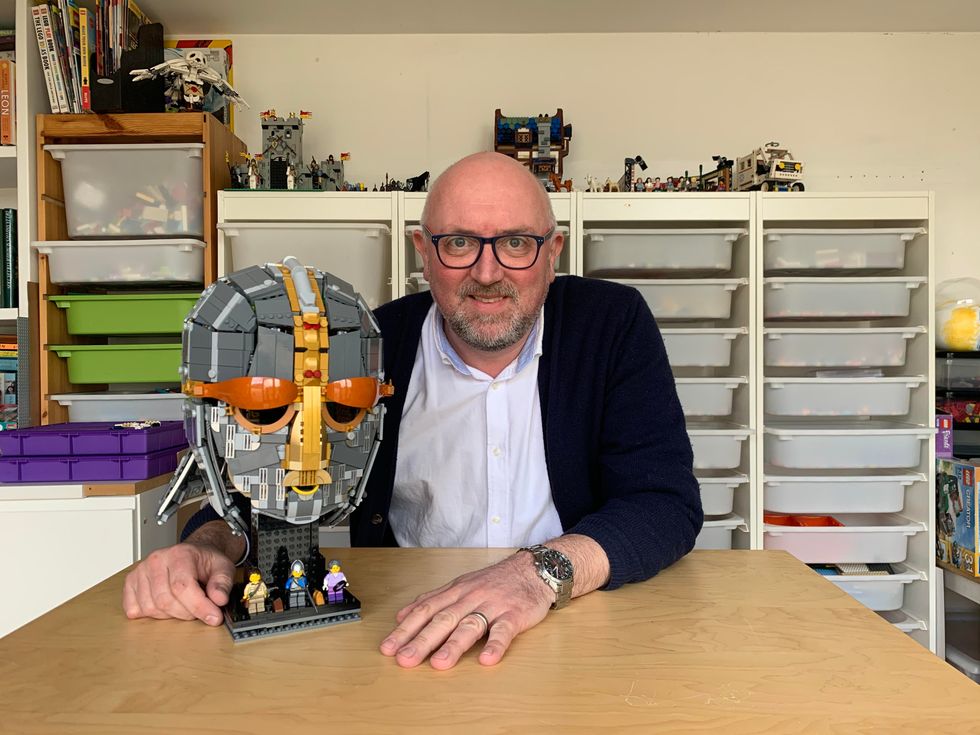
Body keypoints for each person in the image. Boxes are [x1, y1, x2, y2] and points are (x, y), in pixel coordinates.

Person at [122, 151, 702, 670]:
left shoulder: (613, 323)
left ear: (553, 252)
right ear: (423, 251)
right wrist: (206, 546)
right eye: (459, 243)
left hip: (576, 622)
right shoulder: (370, 343)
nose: (487, 272)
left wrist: (535, 575)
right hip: (407, 633)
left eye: (516, 243)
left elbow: (664, 503)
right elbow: (273, 467)